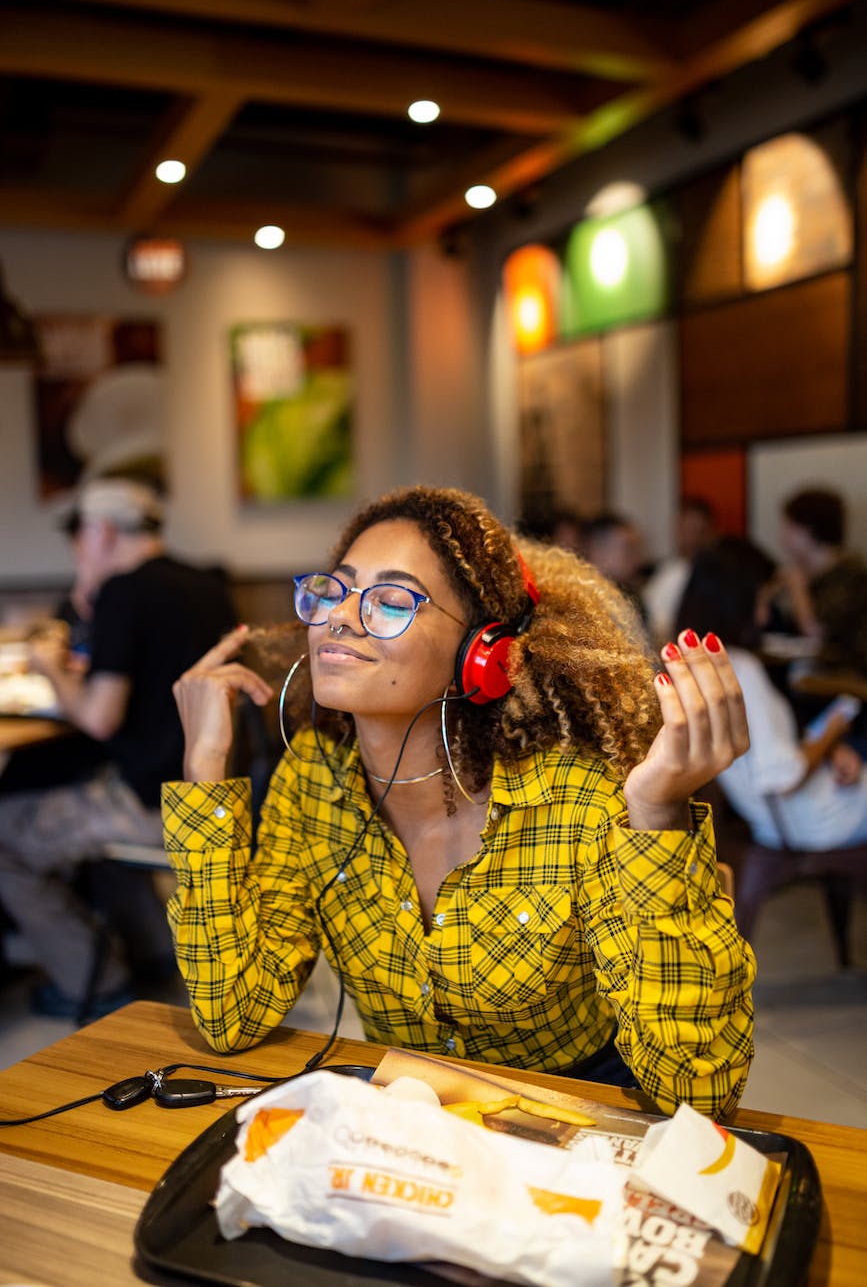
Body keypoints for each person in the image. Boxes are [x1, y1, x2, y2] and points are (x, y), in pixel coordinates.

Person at [163, 485, 754, 1119]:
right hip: (415, 1126)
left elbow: (699, 1094)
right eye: (333, 591)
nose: (339, 617)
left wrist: (658, 816)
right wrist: (202, 773)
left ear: (482, 654)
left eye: (391, 601)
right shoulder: (313, 778)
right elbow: (231, 1014)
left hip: (579, 1112)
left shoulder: (576, 796)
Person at [0, 476, 238, 1018]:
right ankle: (152, 954)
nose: (77, 550)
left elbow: (99, 717)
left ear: (101, 531)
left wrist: (50, 668)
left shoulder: (125, 591)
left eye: (79, 537)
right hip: (209, 794)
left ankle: (96, 979)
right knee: (72, 804)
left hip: (149, 803)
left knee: (4, 837)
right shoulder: (205, 584)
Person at [676, 538, 867, 851]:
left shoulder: (697, 665)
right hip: (811, 816)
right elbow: (783, 776)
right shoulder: (740, 669)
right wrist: (832, 733)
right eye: (762, 601)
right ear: (736, 601)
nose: (764, 616)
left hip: (774, 818)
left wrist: (830, 750)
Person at [774, 488, 867, 677]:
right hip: (816, 676)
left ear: (810, 529)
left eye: (790, 527)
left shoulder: (851, 576)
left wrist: (797, 587)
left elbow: (816, 634)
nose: (783, 537)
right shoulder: (810, 575)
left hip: (849, 681)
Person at [643, 497, 718, 648]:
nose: (692, 538)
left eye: (699, 531)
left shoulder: (714, 576)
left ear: (711, 532)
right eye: (686, 530)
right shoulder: (667, 569)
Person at [580, 511, 649, 634]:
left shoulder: (632, 596)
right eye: (628, 549)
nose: (639, 559)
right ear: (598, 551)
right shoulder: (579, 602)